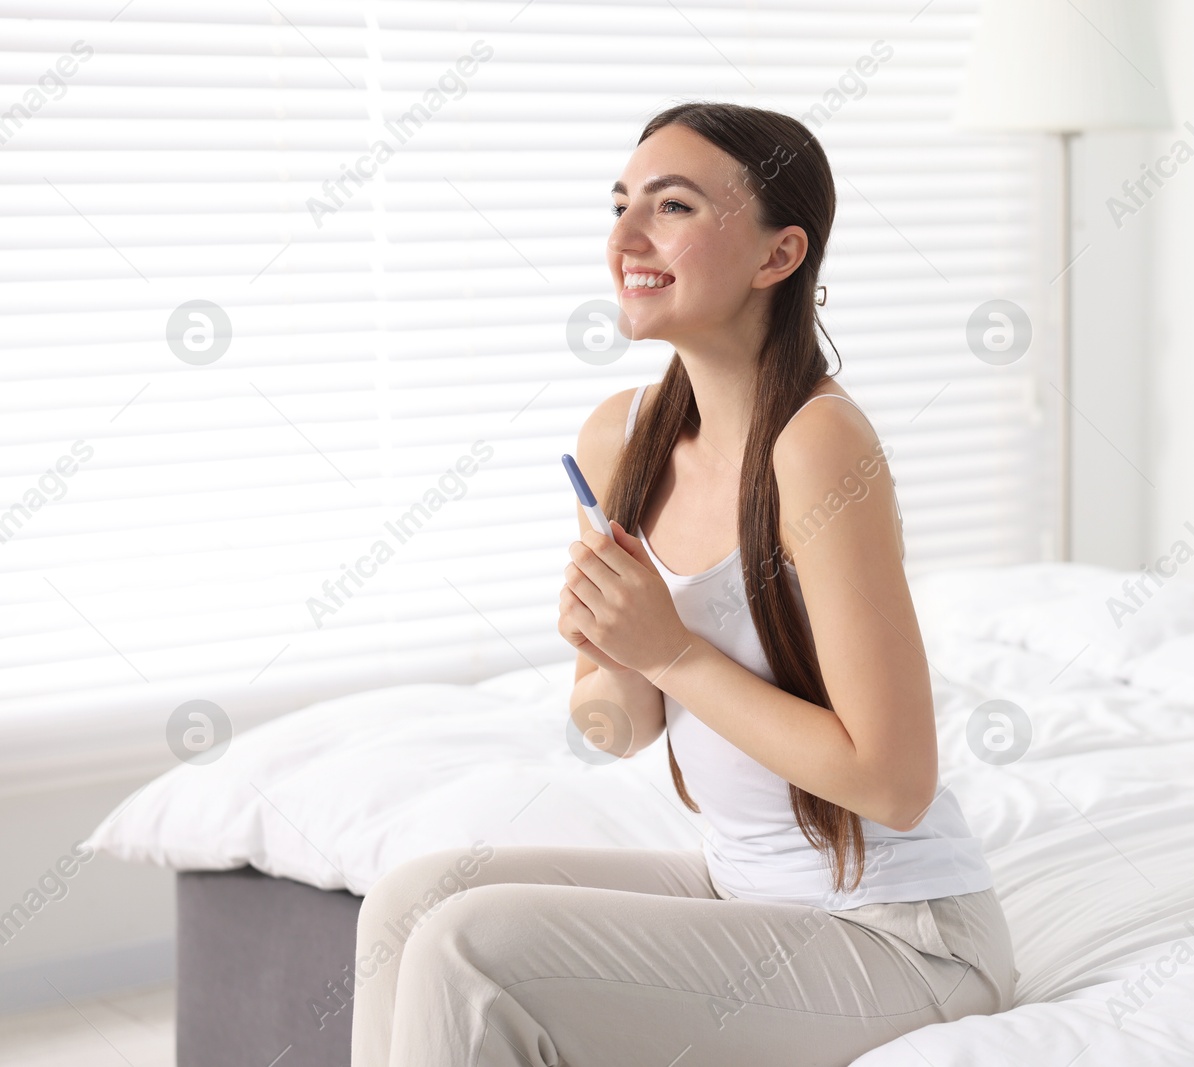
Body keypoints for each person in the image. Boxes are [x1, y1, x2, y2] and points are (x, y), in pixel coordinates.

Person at [351, 100, 1019, 1067]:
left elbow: (896, 781)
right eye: (621, 204)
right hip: (749, 888)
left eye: (671, 207)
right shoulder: (624, 438)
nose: (625, 237)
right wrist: (605, 649)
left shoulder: (819, 444)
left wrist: (670, 646)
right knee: (415, 902)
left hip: (904, 936)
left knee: (472, 948)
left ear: (777, 255)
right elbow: (622, 728)